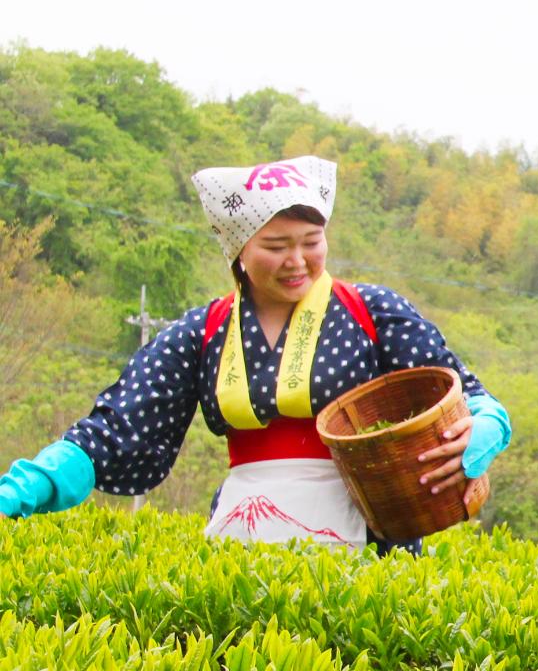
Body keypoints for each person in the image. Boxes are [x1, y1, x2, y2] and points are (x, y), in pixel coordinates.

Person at [0, 156, 511, 548]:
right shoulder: (202, 331)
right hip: (245, 522)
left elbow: (468, 396)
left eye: (311, 241)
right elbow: (116, 431)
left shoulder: (371, 310)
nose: (297, 261)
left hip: (366, 529)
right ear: (239, 250)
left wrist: (485, 428)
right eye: (275, 245)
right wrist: (27, 488)